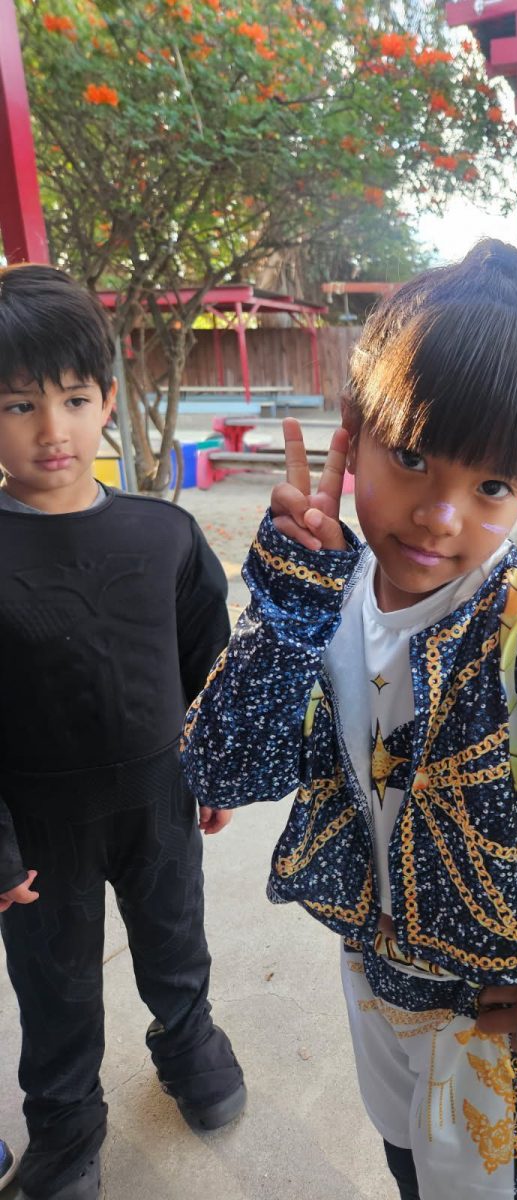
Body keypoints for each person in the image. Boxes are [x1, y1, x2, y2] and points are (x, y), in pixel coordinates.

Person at [182, 240, 517, 1199]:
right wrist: (292, 602)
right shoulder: (329, 594)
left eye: (492, 486)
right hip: (372, 975)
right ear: (354, 431)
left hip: (489, 1017)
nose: (439, 513)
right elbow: (221, 770)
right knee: (402, 1158)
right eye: (413, 457)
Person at [0, 264, 246, 1200]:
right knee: (55, 986)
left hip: (158, 800)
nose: (51, 430)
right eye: (19, 405)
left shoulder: (164, 536)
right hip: (39, 826)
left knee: (176, 941)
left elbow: (207, 662)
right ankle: (65, 1126)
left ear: (107, 400)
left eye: (73, 399)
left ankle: (189, 1045)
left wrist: (213, 768)